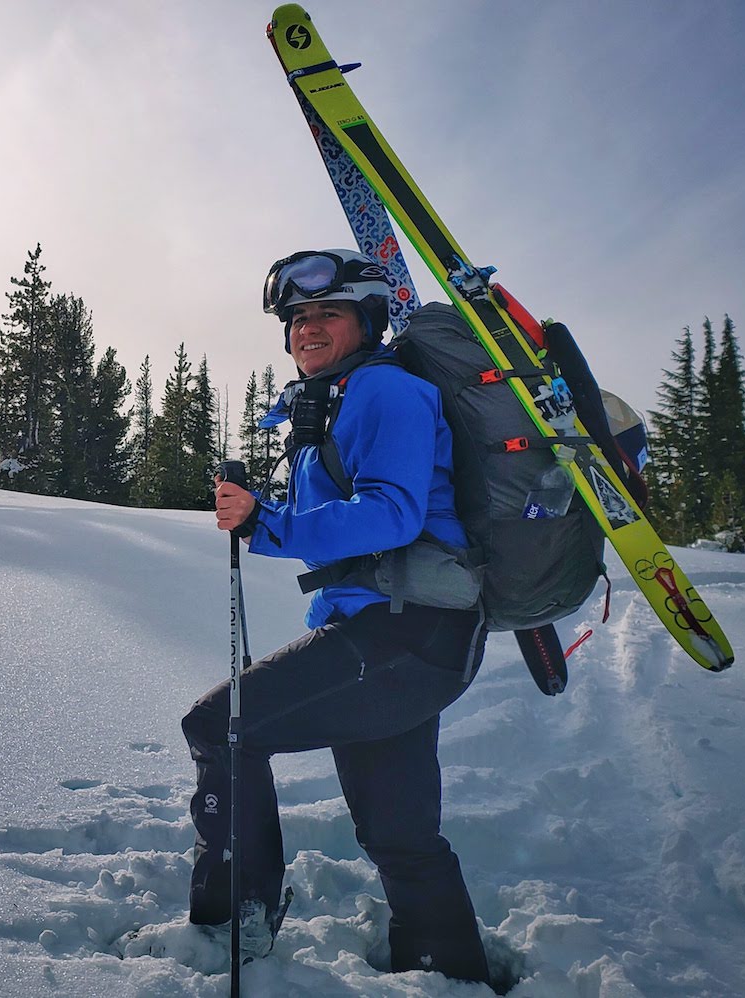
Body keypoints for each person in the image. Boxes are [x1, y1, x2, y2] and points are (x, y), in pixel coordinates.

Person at [182, 248, 491, 983]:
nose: (308, 327)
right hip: (411, 637)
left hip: (403, 633)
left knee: (220, 728)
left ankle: (233, 921)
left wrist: (270, 524)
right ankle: (449, 971)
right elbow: (355, 513)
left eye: (329, 312)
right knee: (399, 834)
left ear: (368, 322)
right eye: (297, 318)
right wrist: (263, 513)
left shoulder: (385, 390)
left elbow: (391, 513)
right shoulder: (339, 399)